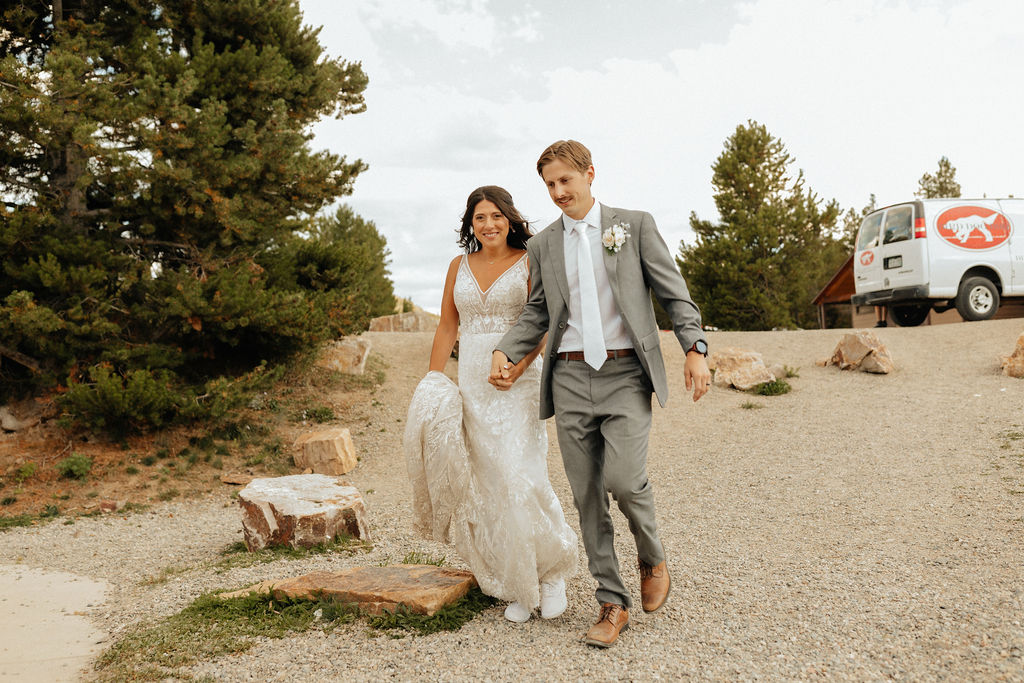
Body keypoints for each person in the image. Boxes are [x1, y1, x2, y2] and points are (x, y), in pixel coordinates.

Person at [489, 140, 711, 648]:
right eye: (549, 185)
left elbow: (674, 294)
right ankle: (612, 602)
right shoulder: (543, 245)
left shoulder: (633, 226)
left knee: (627, 481)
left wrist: (694, 347)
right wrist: (507, 350)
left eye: (566, 180)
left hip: (626, 374)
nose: (558, 192)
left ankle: (652, 555)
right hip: (568, 376)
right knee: (587, 494)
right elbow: (539, 311)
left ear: (590, 174)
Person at [404, 185, 578, 624]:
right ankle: (519, 581)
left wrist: (519, 368)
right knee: (489, 484)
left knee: (524, 475)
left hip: (517, 381)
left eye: (496, 216)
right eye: (480, 218)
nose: (489, 224)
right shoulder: (456, 266)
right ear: (471, 224)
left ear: (510, 218)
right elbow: (447, 326)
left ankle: (552, 572)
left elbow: (541, 323)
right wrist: (432, 381)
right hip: (472, 385)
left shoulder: (529, 261)